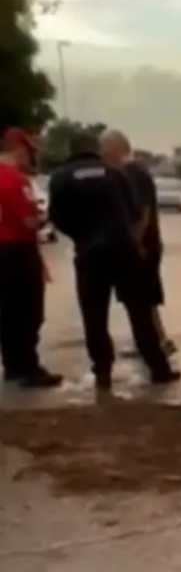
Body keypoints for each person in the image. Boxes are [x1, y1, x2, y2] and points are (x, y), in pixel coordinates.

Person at [48, 132, 180, 389]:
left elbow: (56, 216)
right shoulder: (115, 174)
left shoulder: (61, 177)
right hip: (124, 251)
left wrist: (80, 235)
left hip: (89, 255)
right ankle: (159, 368)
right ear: (94, 149)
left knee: (94, 315)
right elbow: (133, 211)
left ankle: (103, 372)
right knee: (140, 312)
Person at [99, 130, 176, 355]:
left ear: (116, 148)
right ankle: (155, 341)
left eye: (104, 150)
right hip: (143, 245)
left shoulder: (133, 172)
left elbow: (143, 212)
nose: (102, 156)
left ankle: (154, 343)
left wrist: (133, 243)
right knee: (145, 300)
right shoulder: (132, 172)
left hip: (142, 247)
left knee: (141, 299)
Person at [0, 127, 63, 388]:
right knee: (28, 312)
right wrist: (46, 218)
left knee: (7, 311)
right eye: (31, 152)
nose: (33, 160)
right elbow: (29, 222)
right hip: (17, 250)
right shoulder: (15, 180)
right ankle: (28, 367)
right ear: (19, 149)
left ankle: (13, 364)